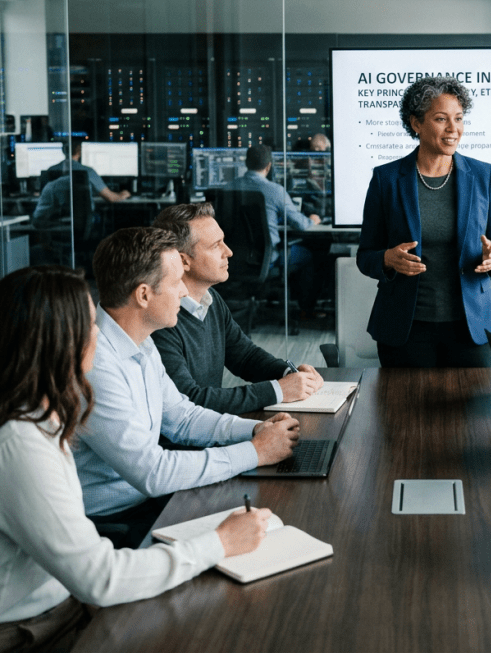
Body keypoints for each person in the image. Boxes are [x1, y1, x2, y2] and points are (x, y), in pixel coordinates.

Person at [0, 265, 272, 652]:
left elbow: (181, 414)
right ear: (59, 341)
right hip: (36, 628)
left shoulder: (39, 418)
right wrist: (220, 543)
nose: (98, 333)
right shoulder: (20, 444)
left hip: (64, 601)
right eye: (89, 323)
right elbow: (101, 579)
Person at [73, 227, 300, 549]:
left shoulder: (141, 342)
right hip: (114, 525)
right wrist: (256, 451)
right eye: (175, 281)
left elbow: (182, 417)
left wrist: (256, 429)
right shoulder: (96, 365)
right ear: (143, 294)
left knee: (273, 526)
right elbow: (152, 472)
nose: (183, 291)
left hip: (150, 501)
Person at [357, 75, 491, 367]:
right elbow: (366, 256)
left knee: (475, 411)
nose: (454, 129)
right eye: (441, 119)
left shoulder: (483, 175)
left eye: (459, 118)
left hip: (472, 326)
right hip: (406, 327)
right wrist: (388, 258)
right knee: (404, 412)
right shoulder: (386, 179)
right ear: (416, 123)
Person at [151, 202, 324, 413]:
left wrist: (289, 374)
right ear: (183, 261)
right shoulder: (161, 319)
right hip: (190, 439)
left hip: (214, 428)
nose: (229, 252)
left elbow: (245, 357)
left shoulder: (209, 299)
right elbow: (189, 400)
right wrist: (277, 390)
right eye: (216, 245)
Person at [223, 143, 323, 316]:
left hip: (235, 257)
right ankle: (306, 310)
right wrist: (312, 219)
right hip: (267, 258)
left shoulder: (228, 188)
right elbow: (300, 224)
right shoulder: (275, 190)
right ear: (269, 166)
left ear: (246, 164)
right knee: (309, 255)